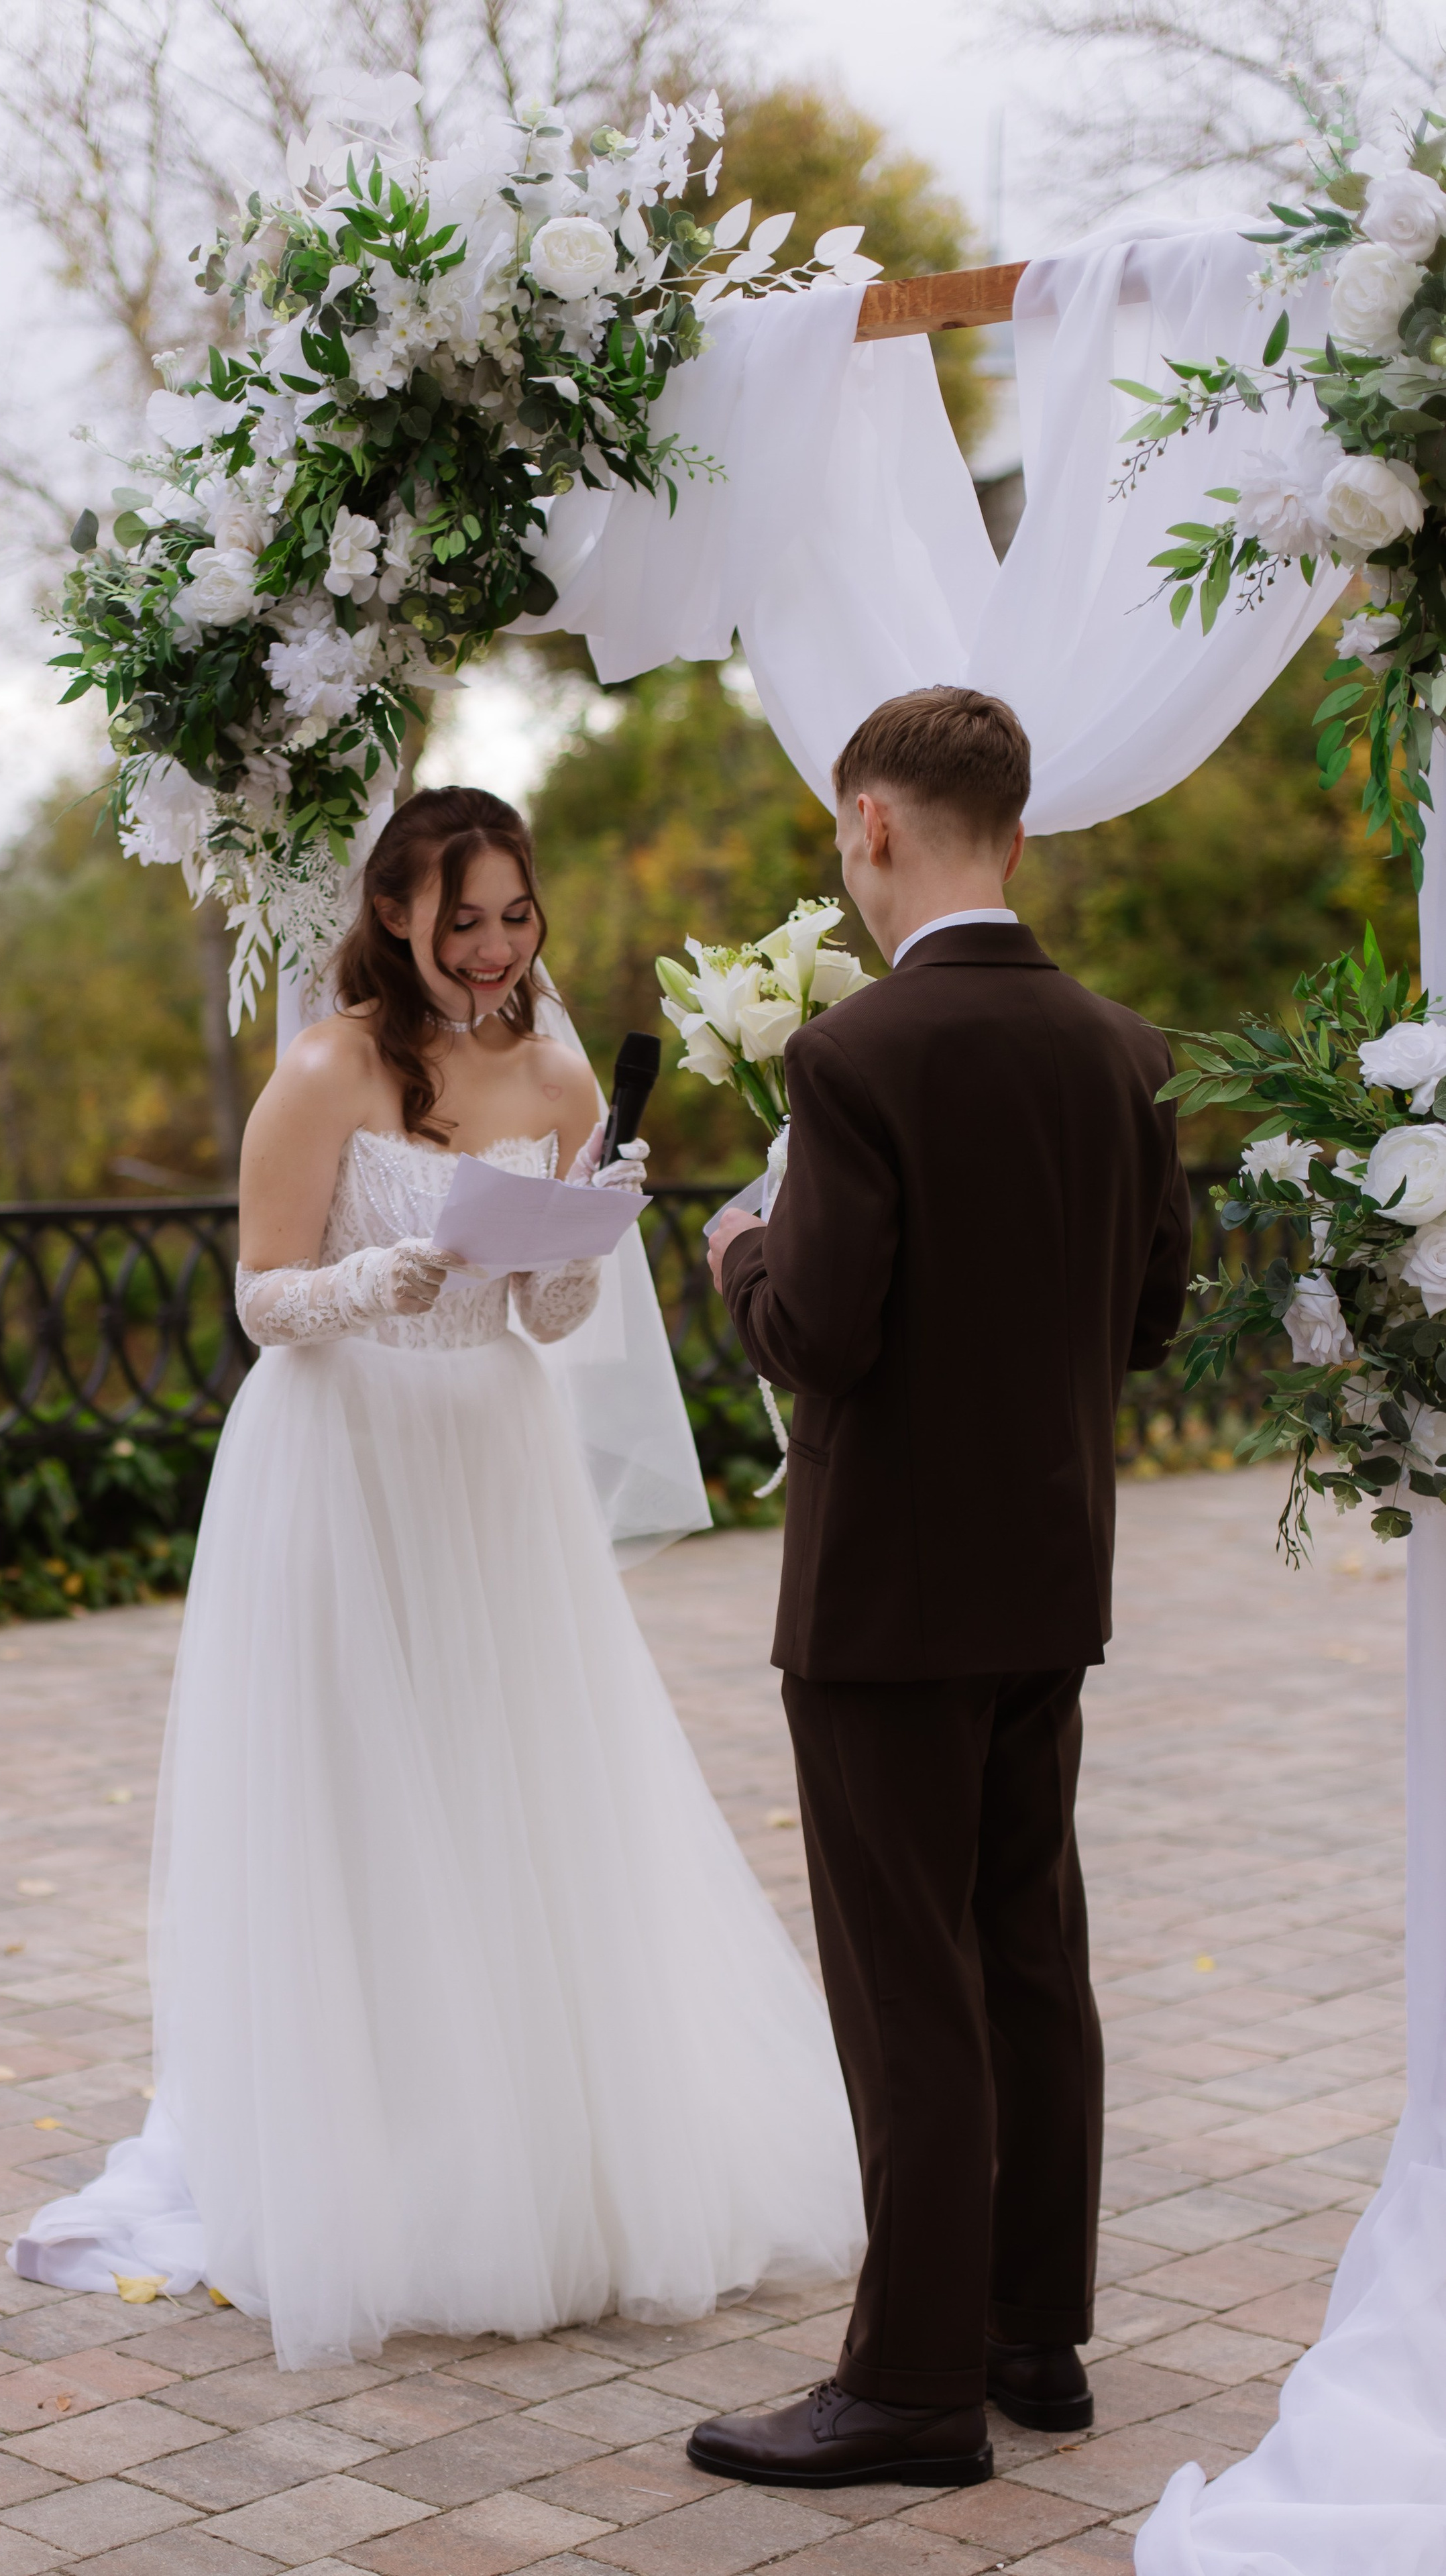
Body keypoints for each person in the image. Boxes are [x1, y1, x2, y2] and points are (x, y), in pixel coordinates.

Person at [10, 784, 864, 2364]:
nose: (490, 946)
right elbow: (259, 1295)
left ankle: (519, 2157)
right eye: (459, 916)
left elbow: (543, 1324)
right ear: (396, 912)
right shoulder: (327, 1066)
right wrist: (365, 1280)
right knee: (354, 1792)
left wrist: (577, 1240)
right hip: (339, 1452)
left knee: (507, 1787)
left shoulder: (551, 1071)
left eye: (513, 914)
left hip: (488, 1458)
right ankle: (371, 2156)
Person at [691, 688, 1192, 2490]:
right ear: (1020, 834)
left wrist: (742, 1252)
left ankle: (908, 2389)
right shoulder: (1130, 1053)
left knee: (910, 1982)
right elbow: (1148, 1320)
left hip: (888, 1601)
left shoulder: (856, 1062)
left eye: (845, 832)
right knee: (1030, 1955)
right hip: (1051, 1575)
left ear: (879, 825)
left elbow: (821, 1335)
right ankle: (1029, 2340)